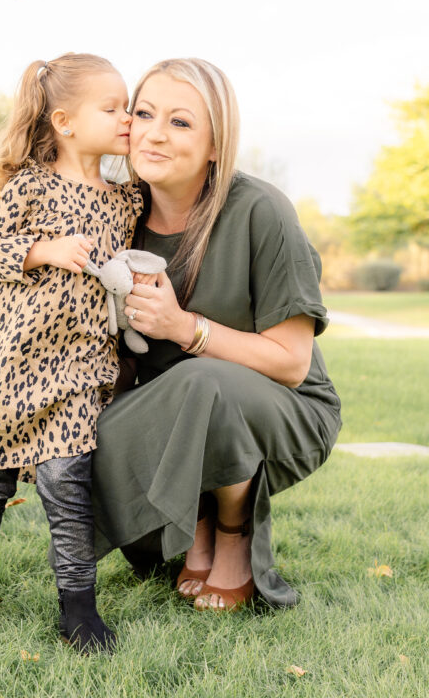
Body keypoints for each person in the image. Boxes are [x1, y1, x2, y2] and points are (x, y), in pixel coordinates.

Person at [91, 58, 342, 610]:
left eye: (180, 122)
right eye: (146, 112)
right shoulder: (112, 213)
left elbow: (291, 363)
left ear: (214, 144)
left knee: (205, 380)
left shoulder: (261, 211)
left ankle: (233, 536)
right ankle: (195, 523)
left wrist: (183, 327)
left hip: (286, 409)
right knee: (85, 436)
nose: (155, 132)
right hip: (173, 410)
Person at [0, 53, 142, 652]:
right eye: (114, 108)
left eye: (128, 106)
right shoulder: (32, 185)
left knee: (67, 486)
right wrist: (44, 249)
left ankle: (78, 607)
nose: (128, 118)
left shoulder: (126, 201)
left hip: (77, 369)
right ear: (64, 121)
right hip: (8, 363)